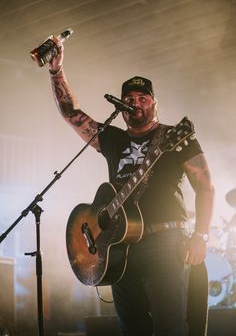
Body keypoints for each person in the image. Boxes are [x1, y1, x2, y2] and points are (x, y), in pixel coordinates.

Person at [47, 37, 214, 336]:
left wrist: (201, 234)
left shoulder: (176, 137)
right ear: (122, 105)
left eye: (143, 97)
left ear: (154, 103)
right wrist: (56, 70)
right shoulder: (114, 139)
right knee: (132, 327)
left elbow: (205, 186)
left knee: (170, 326)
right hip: (120, 247)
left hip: (165, 241)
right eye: (130, 98)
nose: (135, 102)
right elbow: (72, 114)